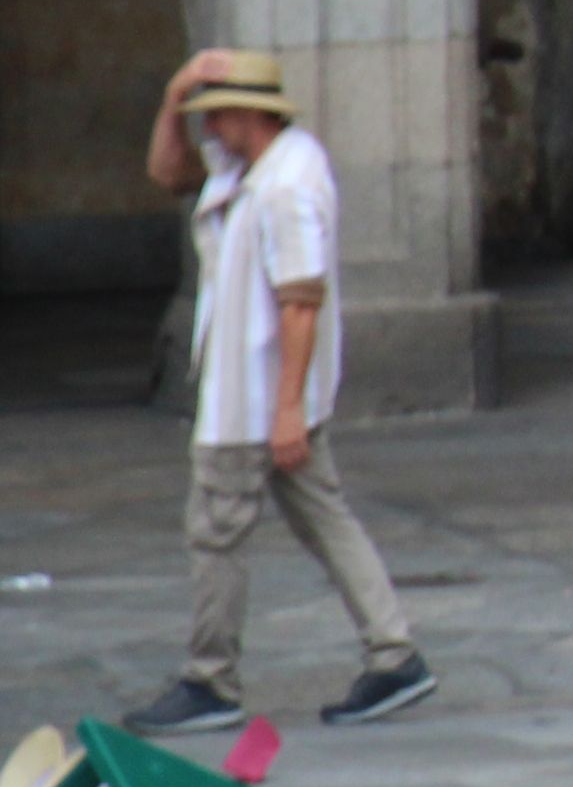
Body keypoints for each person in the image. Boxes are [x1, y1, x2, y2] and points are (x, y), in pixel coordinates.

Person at [125, 51, 432, 733]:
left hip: (254, 397)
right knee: (322, 514)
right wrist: (175, 91)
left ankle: (211, 679)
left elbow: (301, 303)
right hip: (262, 394)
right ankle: (394, 652)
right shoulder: (250, 167)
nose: (206, 127)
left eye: (213, 113)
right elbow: (166, 171)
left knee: (216, 533)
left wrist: (285, 408)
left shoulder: (285, 187)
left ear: (245, 114)